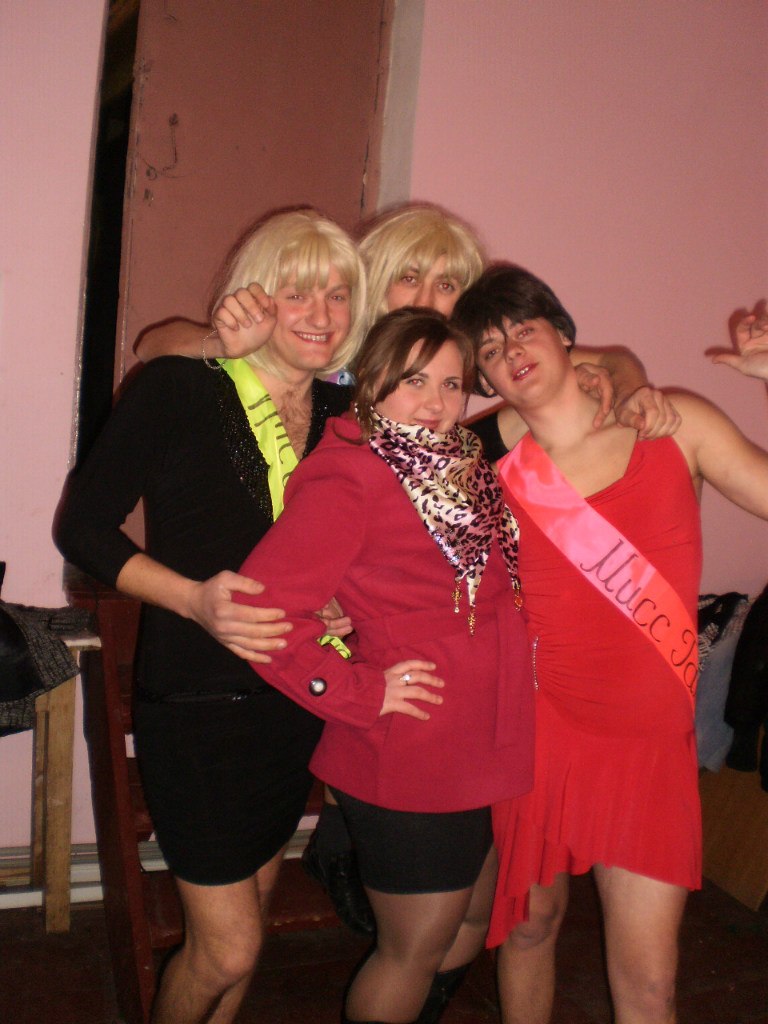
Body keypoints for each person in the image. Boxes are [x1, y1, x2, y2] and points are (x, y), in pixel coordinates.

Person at [131, 203, 673, 936]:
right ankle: (348, 848)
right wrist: (218, 339)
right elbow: (156, 343)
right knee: (269, 932)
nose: (428, 298)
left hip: (382, 692)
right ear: (372, 283)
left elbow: (592, 363)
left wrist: (629, 383)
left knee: (456, 917)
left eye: (449, 285)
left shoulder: (447, 426)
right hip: (248, 662)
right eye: (408, 277)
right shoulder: (328, 375)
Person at [53, 209, 367, 1024]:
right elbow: (82, 529)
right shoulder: (180, 386)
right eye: (298, 292)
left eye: (338, 294)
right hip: (198, 701)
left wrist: (347, 595)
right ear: (254, 297)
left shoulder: (346, 415)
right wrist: (193, 599)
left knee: (250, 928)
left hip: (297, 697)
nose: (322, 314)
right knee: (226, 947)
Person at [452, 265, 768, 1024]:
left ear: (565, 335)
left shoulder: (676, 426)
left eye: (524, 329)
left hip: (649, 748)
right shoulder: (488, 476)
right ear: (484, 378)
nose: (510, 351)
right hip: (542, 731)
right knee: (530, 927)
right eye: (490, 349)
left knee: (651, 984)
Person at [231, 307, 536, 1024]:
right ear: (372, 381)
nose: (435, 401)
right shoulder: (350, 474)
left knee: (472, 920)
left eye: (452, 383)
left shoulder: (464, 466)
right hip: (414, 748)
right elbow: (261, 614)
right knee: (413, 948)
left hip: (489, 737)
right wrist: (359, 691)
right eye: (413, 380)